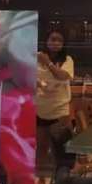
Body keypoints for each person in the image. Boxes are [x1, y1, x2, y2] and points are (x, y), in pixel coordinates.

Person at [35, 31, 75, 171]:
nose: (56, 43)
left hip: (59, 110)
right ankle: (40, 179)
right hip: (40, 109)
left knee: (62, 146)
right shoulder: (36, 58)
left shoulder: (67, 60)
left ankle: (61, 176)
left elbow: (62, 76)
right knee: (41, 146)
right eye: (53, 39)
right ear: (46, 41)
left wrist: (48, 62)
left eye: (59, 40)